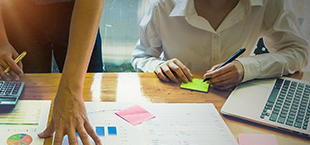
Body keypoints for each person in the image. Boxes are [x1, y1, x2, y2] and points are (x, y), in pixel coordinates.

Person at [0, 0, 104, 145]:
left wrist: (71, 90)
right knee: (25, 105)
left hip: (77, 11)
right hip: (18, 13)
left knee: (87, 99)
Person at [131, 0, 308, 91]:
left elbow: (298, 52)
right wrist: (160, 66)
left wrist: (248, 68)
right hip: (177, 100)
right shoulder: (163, 5)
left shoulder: (266, 3)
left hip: (238, 101)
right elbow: (141, 56)